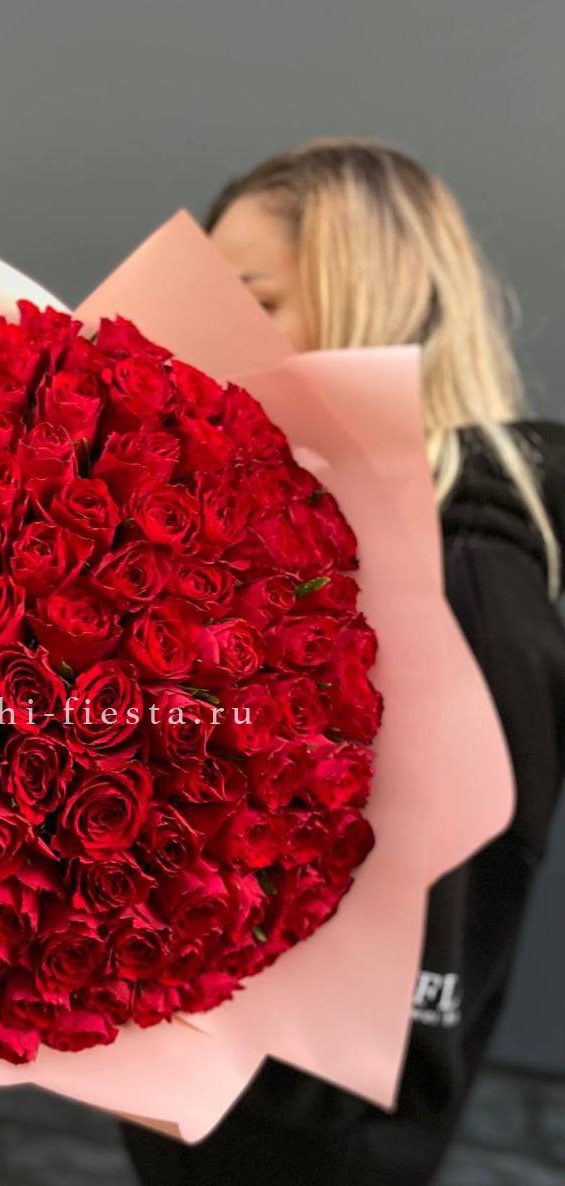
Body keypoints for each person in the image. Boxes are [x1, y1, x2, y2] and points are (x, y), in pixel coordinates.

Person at [120, 137, 565, 1186]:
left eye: (254, 302)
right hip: (188, 1106)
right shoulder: (289, 543)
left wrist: (177, 1062)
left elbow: (423, 976)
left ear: (375, 304)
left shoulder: (462, 582)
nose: (203, 338)